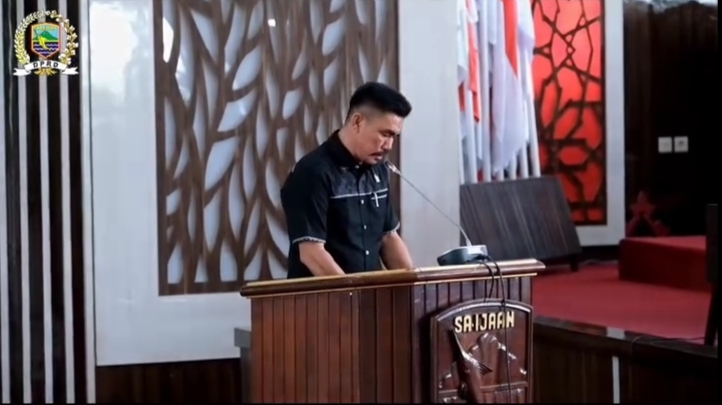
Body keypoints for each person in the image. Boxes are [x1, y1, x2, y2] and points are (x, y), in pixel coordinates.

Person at [280, 82, 414, 279]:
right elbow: (312, 253)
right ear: (357, 122)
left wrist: (413, 286)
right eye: (385, 134)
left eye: (394, 136)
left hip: (370, 294)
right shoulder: (312, 172)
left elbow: (389, 237)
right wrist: (353, 293)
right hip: (323, 296)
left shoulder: (379, 170)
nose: (389, 145)